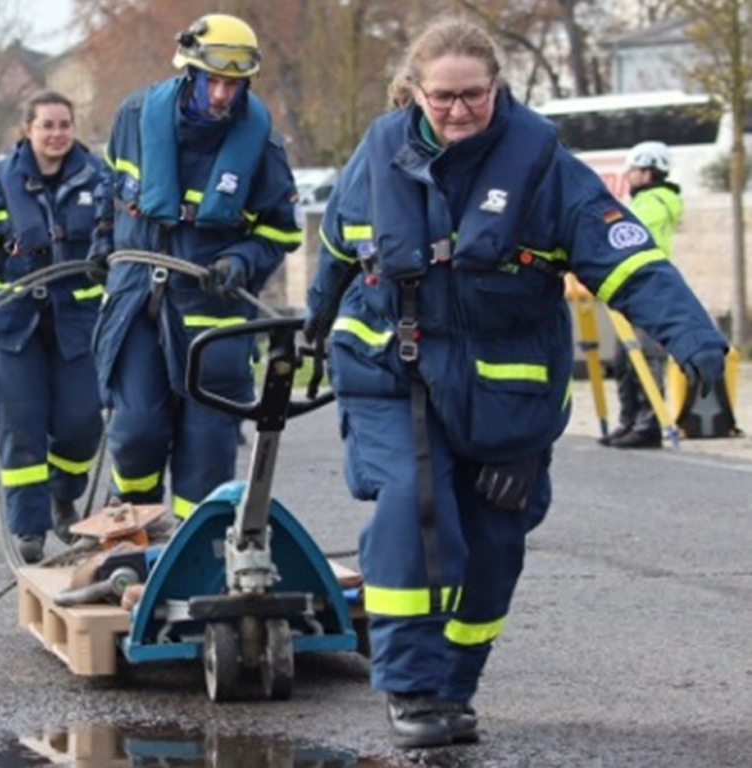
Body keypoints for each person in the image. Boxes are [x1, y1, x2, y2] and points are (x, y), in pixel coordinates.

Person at [303, 17, 728, 750]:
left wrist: (694, 342)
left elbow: (631, 262)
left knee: (494, 545)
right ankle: (409, 687)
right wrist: (310, 330)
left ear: (498, 88)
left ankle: (454, 685)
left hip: (504, 392)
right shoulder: (375, 162)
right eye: (443, 98)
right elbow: (337, 257)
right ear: (413, 93)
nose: (460, 110)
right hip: (388, 372)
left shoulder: (546, 173)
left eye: (475, 94)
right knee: (413, 506)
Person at [91, 13, 302, 521]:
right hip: (137, 300)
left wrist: (241, 259)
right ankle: (131, 519)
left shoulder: (263, 147)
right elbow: (109, 189)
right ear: (190, 71)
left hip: (215, 314)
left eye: (235, 85)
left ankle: (191, 549)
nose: (222, 97)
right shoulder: (134, 117)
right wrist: (102, 242)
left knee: (207, 450)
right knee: (137, 430)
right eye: (215, 82)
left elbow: (281, 231)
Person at [0, 91, 106, 564]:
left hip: (77, 325)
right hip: (11, 325)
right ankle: (29, 527)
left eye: (64, 124)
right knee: (21, 426)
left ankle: (64, 493)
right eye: (47, 125)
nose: (56, 133)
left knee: (82, 423)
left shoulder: (98, 179)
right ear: (28, 129)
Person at [600, 141, 682, 449]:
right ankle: (629, 421)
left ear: (648, 172)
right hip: (631, 288)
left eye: (633, 170)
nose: (629, 175)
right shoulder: (645, 201)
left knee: (645, 358)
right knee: (624, 359)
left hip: (648, 289)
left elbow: (627, 235)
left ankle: (648, 426)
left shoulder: (655, 202)